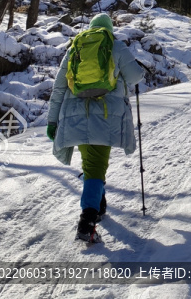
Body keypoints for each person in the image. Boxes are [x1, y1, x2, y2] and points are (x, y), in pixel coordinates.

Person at [47, 13, 145, 242]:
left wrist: (52, 121)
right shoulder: (115, 45)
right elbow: (135, 78)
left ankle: (99, 206)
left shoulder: (75, 48)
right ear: (109, 30)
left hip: (75, 117)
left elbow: (59, 89)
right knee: (96, 166)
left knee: (91, 164)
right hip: (106, 117)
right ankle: (87, 221)